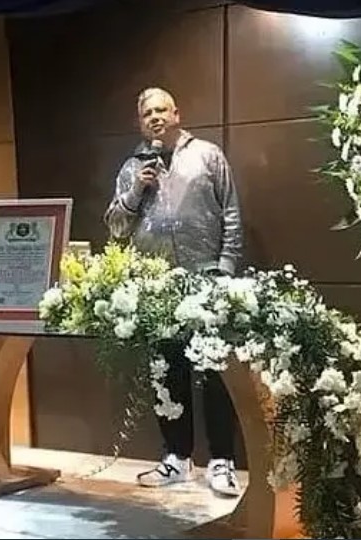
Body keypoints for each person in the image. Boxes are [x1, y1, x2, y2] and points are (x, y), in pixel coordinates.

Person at [104, 87, 244, 497]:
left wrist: (225, 269)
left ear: (177, 113)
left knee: (216, 373)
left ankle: (222, 461)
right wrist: (136, 191)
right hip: (157, 285)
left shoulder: (207, 155)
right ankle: (177, 458)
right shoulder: (133, 167)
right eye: (147, 113)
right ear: (140, 123)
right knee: (166, 373)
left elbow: (231, 213)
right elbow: (116, 226)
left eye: (161, 109)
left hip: (207, 279)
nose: (155, 117)